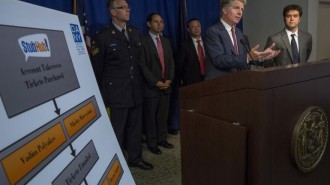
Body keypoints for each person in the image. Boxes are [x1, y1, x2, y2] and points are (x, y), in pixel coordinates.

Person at [91, 0, 153, 170]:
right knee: (116, 132)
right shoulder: (102, 36)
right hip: (115, 94)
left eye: (128, 7)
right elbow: (97, 70)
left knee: (135, 129)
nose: (127, 10)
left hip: (135, 91)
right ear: (113, 12)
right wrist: (102, 96)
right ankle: (116, 165)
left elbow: (139, 63)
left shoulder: (135, 33)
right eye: (123, 8)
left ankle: (136, 158)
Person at [204, 0, 280, 80]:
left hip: (239, 83)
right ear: (225, 10)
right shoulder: (213, 32)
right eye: (236, 8)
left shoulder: (239, 33)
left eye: (242, 9)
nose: (240, 13)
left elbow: (244, 58)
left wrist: (262, 56)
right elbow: (219, 60)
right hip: (220, 83)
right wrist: (247, 57)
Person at [139, 13, 175, 155]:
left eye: (161, 22)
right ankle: (152, 143)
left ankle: (162, 139)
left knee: (162, 115)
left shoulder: (166, 41)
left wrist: (169, 79)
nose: (159, 24)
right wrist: (155, 82)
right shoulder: (143, 41)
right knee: (150, 117)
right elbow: (142, 65)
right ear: (149, 24)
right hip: (151, 87)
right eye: (156, 22)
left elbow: (171, 62)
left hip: (166, 85)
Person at [176, 18, 206, 86]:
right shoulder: (184, 45)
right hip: (192, 81)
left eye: (198, 26)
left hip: (209, 77)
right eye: (193, 27)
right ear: (188, 30)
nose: (196, 28)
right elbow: (179, 66)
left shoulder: (208, 42)